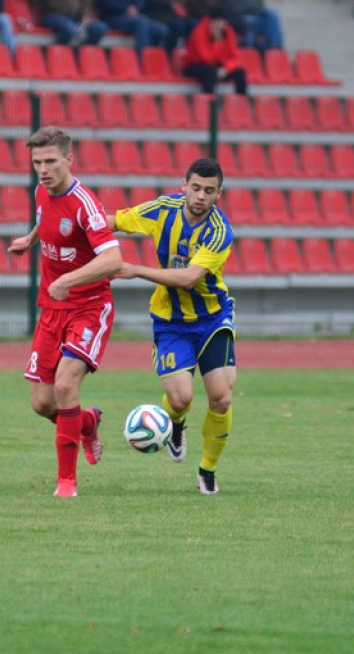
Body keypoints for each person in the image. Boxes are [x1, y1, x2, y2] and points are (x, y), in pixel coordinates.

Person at [107, 157, 235, 495]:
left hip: (211, 319)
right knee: (180, 399)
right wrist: (63, 228)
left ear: (218, 194)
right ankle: (175, 426)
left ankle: (207, 470)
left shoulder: (220, 232)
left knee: (221, 397)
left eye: (209, 191)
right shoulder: (163, 209)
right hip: (170, 321)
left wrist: (136, 270)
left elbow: (189, 279)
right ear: (184, 185)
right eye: (195, 188)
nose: (200, 196)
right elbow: (114, 222)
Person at [7, 126, 122, 498]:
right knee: (42, 403)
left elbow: (113, 259)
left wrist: (70, 279)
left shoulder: (85, 204)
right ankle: (86, 422)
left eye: (51, 161)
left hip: (89, 307)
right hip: (52, 308)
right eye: (37, 162)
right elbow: (47, 219)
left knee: (64, 386)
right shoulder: (42, 190)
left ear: (69, 160)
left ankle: (66, 484)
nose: (43, 169)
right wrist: (30, 238)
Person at [182, 6, 247, 95]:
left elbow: (234, 57)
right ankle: (209, 103)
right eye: (217, 24)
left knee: (240, 72)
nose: (220, 27)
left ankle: (241, 104)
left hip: (217, 66)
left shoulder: (228, 32)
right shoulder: (199, 32)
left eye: (222, 24)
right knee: (211, 72)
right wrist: (217, 42)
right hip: (194, 65)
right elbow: (206, 58)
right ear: (211, 22)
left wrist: (226, 69)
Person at [94, 0, 169, 52]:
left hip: (134, 17)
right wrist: (126, 9)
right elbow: (104, 3)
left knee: (161, 30)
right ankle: (142, 60)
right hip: (112, 17)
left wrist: (135, 7)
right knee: (141, 22)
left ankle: (151, 58)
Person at [36, 0, 107, 46]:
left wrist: (84, 16)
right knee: (69, 28)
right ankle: (60, 55)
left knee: (99, 28)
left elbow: (85, 4)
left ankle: (82, 56)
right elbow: (52, 5)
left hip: (74, 18)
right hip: (52, 15)